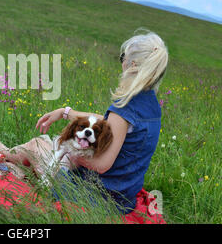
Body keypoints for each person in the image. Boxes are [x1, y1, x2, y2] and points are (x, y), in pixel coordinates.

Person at [33, 29, 169, 214]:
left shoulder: (125, 108)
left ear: (133, 65)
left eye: (123, 57)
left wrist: (67, 150)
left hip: (95, 197)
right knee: (47, 148)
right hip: (124, 198)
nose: (121, 62)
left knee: (38, 146)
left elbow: (101, 166)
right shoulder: (151, 105)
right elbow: (108, 123)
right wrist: (66, 112)